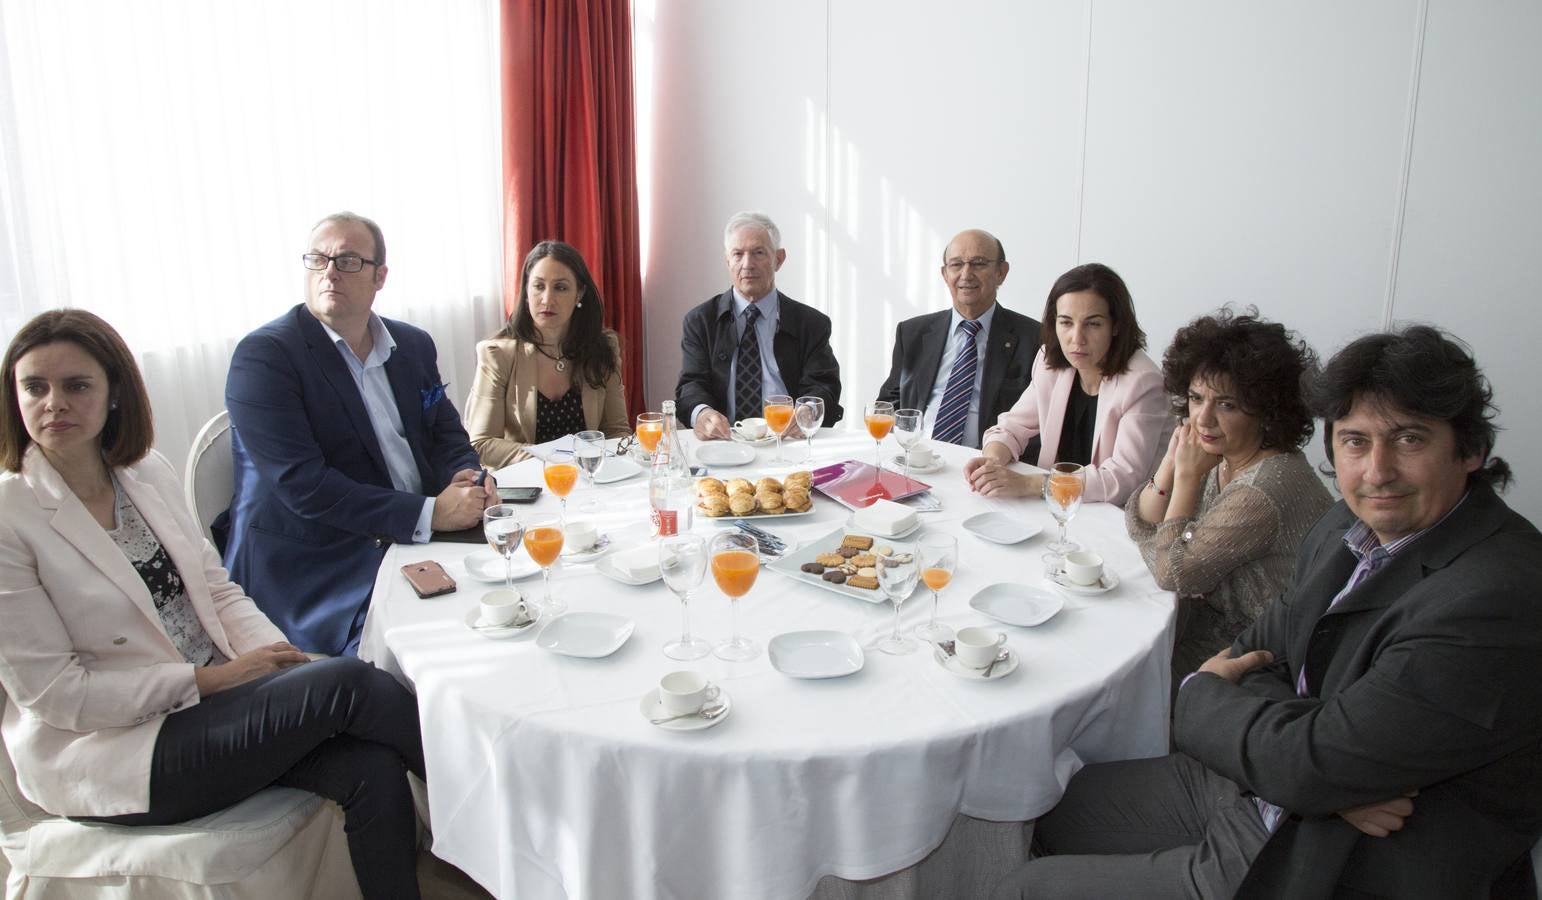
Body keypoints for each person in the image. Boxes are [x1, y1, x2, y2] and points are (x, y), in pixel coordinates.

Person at [994, 326, 1542, 900]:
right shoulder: (1346, 527)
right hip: (1263, 789)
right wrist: (1316, 764)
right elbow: (1263, 651)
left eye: (1408, 439)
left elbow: (1291, 744)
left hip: (1328, 852)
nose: (1377, 471)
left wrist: (1220, 703)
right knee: (1046, 807)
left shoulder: (1496, 596)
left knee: (1024, 890)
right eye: (1355, 441)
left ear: (1470, 449)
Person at [0, 310, 428, 899]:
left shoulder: (144, 472)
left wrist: (278, 658)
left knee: (370, 768)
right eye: (34, 387)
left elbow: (217, 589)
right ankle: (498, 804)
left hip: (214, 706)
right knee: (348, 683)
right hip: (119, 750)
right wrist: (213, 680)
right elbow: (57, 694)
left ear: (114, 393)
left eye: (76, 385)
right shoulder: (10, 516)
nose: (54, 404)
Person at [223, 212, 491, 656]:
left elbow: (445, 433)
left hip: (412, 536)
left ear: (379, 276)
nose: (329, 272)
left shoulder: (412, 344)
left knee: (514, 597)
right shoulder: (265, 357)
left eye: (347, 261)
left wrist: (466, 476)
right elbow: (305, 486)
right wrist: (429, 514)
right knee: (436, 645)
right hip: (321, 561)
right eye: (318, 259)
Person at [1126, 309, 1332, 679]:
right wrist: (1170, 463)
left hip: (1258, 653)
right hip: (1205, 622)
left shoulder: (1264, 487)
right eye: (1196, 398)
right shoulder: (1223, 452)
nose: (1202, 418)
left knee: (1129, 672)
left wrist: (1186, 478)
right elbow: (1141, 519)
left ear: (1266, 411)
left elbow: (1173, 573)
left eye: (1226, 404)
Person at [965, 262, 1167, 505]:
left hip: (1115, 514)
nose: (1077, 339)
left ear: (1116, 326)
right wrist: (993, 462)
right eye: (1066, 322)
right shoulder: (1050, 361)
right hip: (1061, 509)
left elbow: (1123, 478)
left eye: (1093, 324)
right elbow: (1012, 427)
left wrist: (1032, 484)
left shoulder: (1143, 382)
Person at [675, 211, 843, 439]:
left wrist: (808, 411)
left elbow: (825, 385)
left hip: (788, 440)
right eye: (738, 254)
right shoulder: (700, 321)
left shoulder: (811, 323)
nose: (747, 264)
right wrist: (702, 413)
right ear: (727, 260)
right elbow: (691, 386)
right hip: (724, 442)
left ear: (779, 259)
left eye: (758, 253)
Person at [464, 241, 630, 467]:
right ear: (526, 292)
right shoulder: (498, 354)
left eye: (560, 287)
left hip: (588, 478)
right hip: (525, 481)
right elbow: (481, 444)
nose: (547, 299)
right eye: (538, 286)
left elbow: (617, 432)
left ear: (579, 294)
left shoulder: (602, 347)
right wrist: (551, 459)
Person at [876, 228, 1040, 448]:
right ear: (945, 274)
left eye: (979, 263)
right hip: (917, 453)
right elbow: (889, 401)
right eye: (956, 264)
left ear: (1001, 272)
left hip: (986, 460)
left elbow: (1041, 422)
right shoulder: (912, 332)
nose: (966, 274)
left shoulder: (1034, 338)